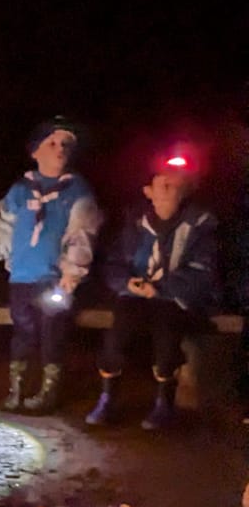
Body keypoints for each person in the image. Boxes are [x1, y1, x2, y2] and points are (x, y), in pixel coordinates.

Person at [85, 157, 220, 429]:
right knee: (117, 334)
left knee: (167, 336)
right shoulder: (134, 224)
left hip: (175, 299)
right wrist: (127, 283)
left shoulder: (199, 225)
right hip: (136, 297)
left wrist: (160, 288)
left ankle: (164, 404)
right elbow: (114, 262)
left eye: (176, 185)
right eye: (164, 184)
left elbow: (202, 273)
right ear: (149, 191)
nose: (169, 190)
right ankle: (107, 398)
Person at [0, 118, 103, 412]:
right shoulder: (21, 189)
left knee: (53, 330)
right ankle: (17, 388)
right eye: (51, 143)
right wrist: (8, 259)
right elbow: (5, 225)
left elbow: (83, 232)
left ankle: (49, 392)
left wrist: (72, 272)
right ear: (35, 152)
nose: (59, 149)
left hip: (55, 277)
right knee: (23, 330)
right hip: (22, 276)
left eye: (65, 144)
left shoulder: (77, 191)